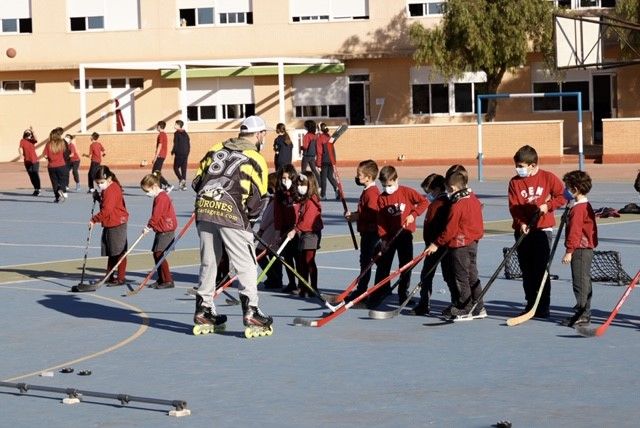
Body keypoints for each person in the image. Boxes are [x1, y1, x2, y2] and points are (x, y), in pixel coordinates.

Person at [192, 115, 272, 335]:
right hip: (232, 213)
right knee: (246, 264)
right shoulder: (255, 158)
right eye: (264, 133)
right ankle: (251, 312)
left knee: (209, 261)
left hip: (205, 209)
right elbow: (258, 196)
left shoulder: (216, 147)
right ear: (259, 134)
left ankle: (204, 309)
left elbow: (196, 182)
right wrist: (251, 221)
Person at [508, 145, 565, 319]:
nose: (519, 169)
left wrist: (548, 206)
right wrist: (521, 222)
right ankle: (530, 303)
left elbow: (563, 196)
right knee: (527, 271)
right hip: (524, 231)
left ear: (532, 165)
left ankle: (543, 306)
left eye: (521, 166)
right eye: (517, 166)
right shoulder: (515, 182)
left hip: (542, 231)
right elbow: (514, 206)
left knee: (541, 270)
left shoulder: (548, 177)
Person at [425, 171, 485, 319]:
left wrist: (436, 244)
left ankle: (465, 307)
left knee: (461, 277)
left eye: (448, 190)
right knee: (472, 275)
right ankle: (479, 307)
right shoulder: (473, 198)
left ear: (452, 188)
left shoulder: (457, 205)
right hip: (472, 242)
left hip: (460, 244)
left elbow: (450, 229)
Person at [368, 165, 428, 308]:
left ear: (396, 180)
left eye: (389, 184)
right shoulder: (382, 199)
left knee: (406, 266)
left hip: (405, 235)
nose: (387, 188)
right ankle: (378, 293)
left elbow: (423, 202)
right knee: (383, 266)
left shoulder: (406, 192)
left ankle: (403, 294)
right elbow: (381, 221)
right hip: (389, 238)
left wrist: (413, 215)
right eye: (384, 185)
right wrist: (383, 238)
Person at [74, 166, 129, 292]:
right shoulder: (107, 189)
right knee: (112, 250)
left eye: (101, 182)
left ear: (109, 179)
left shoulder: (112, 189)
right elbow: (106, 204)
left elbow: (107, 210)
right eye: (98, 183)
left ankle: (120, 278)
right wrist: (98, 197)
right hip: (111, 222)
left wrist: (94, 219)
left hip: (117, 222)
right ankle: (109, 276)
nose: (100, 185)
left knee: (119, 251)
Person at [560, 170, 598, 327]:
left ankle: (582, 313)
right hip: (584, 248)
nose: (565, 189)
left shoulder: (578, 209)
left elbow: (575, 232)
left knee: (580, 281)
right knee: (584, 280)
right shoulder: (581, 205)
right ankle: (585, 311)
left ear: (575, 188)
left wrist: (569, 251)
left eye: (568, 187)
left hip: (580, 249)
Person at [410, 173, 449, 316]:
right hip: (432, 246)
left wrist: (435, 243)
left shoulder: (442, 204)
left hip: (439, 246)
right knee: (426, 275)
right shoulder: (435, 203)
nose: (428, 195)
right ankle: (424, 303)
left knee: (446, 276)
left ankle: (457, 303)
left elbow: (445, 227)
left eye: (430, 192)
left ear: (438, 189)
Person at [344, 159, 380, 303]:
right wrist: (353, 214)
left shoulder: (372, 193)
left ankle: (362, 291)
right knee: (375, 261)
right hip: (367, 232)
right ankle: (376, 288)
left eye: (360, 175)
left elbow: (372, 213)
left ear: (368, 177)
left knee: (366, 262)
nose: (357, 177)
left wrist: (355, 216)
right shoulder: (367, 191)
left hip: (371, 233)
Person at [287, 171, 323, 297]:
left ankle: (313, 288)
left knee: (309, 261)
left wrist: (295, 230)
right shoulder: (304, 200)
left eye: (302, 185)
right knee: (302, 262)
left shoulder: (312, 202)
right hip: (304, 234)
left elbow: (307, 221)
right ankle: (304, 286)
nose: (299, 187)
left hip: (311, 234)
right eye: (298, 185)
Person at [141, 172, 177, 289]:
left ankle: (168, 280)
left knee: (160, 254)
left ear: (155, 186)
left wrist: (148, 226)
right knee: (156, 254)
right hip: (160, 229)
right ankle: (161, 278)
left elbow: (156, 215)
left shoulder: (161, 198)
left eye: (147, 191)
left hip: (166, 230)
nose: (147, 194)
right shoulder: (158, 197)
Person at [274, 163, 300, 294]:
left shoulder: (299, 191)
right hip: (285, 230)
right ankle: (291, 283)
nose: (285, 181)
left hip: (297, 230)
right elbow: (277, 214)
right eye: (283, 178)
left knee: (299, 258)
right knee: (288, 259)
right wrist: (278, 232)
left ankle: (303, 284)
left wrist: (297, 229)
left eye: (288, 178)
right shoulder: (279, 194)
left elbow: (302, 212)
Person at [256, 173, 282, 290]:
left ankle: (274, 277)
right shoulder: (273, 199)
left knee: (261, 253)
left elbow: (269, 216)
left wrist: (261, 229)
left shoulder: (277, 200)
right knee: (273, 254)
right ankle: (275, 277)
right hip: (269, 229)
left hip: (271, 230)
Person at [43, 128, 69, 203]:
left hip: (51, 166)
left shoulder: (48, 144)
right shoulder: (62, 143)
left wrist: (49, 157)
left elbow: (44, 155)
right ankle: (61, 189)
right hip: (61, 165)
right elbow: (65, 153)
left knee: (54, 182)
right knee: (63, 180)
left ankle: (57, 198)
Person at [316, 122, 340, 200]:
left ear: (319, 129)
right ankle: (336, 188)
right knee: (330, 176)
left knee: (323, 178)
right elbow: (333, 150)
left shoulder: (320, 139)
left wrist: (318, 164)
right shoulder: (330, 137)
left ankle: (323, 195)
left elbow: (319, 152)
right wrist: (334, 161)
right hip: (331, 160)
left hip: (324, 161)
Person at [18, 127, 41, 196]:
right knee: (31, 175)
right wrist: (21, 154)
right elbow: (20, 148)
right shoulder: (22, 141)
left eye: (29, 134)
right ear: (24, 134)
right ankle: (36, 189)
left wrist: (33, 131)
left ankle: (38, 189)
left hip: (35, 160)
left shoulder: (32, 140)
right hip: (27, 161)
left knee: (35, 174)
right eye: (27, 134)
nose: (29, 135)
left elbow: (36, 139)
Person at [152, 120, 172, 190]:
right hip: (162, 155)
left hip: (160, 155)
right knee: (156, 173)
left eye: (157, 126)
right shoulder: (164, 134)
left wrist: (155, 157)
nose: (156, 127)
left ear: (159, 126)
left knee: (155, 173)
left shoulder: (161, 135)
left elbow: (160, 146)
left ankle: (167, 185)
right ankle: (159, 188)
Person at [171, 119, 190, 191]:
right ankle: (183, 186)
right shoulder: (185, 133)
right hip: (186, 153)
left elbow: (176, 143)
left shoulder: (176, 133)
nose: (174, 125)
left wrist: (173, 151)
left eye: (175, 124)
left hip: (179, 153)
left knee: (175, 167)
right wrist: (187, 152)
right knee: (183, 169)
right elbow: (188, 143)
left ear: (179, 126)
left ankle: (181, 179)